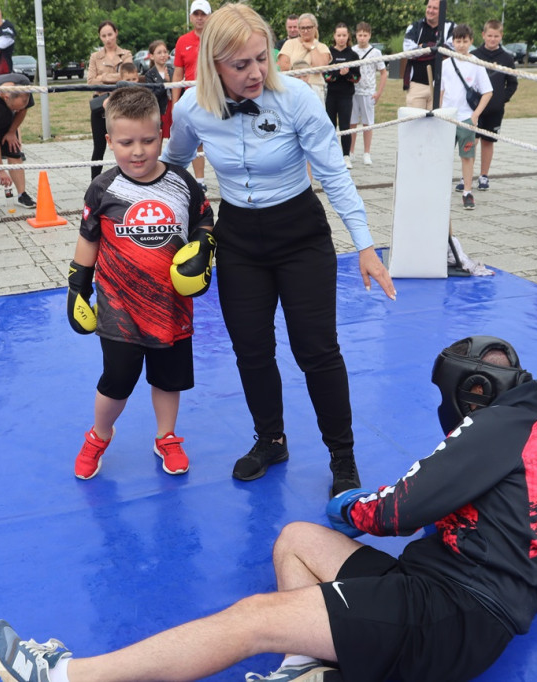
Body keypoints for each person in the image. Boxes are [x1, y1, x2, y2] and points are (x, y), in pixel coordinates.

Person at [0, 335, 537, 682]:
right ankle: (307, 669)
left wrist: (353, 509)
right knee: (295, 537)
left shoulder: (494, 427)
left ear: (470, 390)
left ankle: (69, 677)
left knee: (254, 617)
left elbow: (400, 509)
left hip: (451, 612)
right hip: (446, 588)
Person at [163, 4, 396, 497]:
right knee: (251, 350)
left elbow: (334, 174)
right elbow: (173, 168)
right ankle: (270, 439)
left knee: (317, 350)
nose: (255, 72)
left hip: (300, 235)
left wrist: (366, 247)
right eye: (240, 64)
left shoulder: (297, 100)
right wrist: (149, 222)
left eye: (261, 58)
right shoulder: (189, 109)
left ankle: (343, 458)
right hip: (239, 238)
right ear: (213, 64)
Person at [66, 86, 213, 480]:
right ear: (109, 141)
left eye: (148, 140)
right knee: (116, 382)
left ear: (162, 136)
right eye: (126, 142)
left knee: (168, 379)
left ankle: (166, 436)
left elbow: (204, 218)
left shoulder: (183, 183)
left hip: (171, 306)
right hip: (119, 309)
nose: (138, 151)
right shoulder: (103, 189)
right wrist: (77, 285)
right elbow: (88, 238)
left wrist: (202, 247)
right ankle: (99, 435)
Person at [440, 24, 492, 211]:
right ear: (452, 42)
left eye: (465, 41)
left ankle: (467, 192)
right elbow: (441, 91)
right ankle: (439, 191)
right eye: (457, 41)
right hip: (446, 117)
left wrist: (475, 115)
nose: (461, 45)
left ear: (471, 41)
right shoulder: (445, 64)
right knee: (443, 156)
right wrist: (438, 112)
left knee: (467, 156)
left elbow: (487, 92)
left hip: (466, 118)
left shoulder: (476, 64)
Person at [472, 19, 518, 192]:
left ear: (501, 36)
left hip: (495, 109)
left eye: (496, 36)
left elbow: (512, 83)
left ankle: (484, 176)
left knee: (488, 141)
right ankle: (466, 175)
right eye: (489, 36)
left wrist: (501, 99)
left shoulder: (507, 58)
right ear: (483, 35)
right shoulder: (474, 55)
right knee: (472, 140)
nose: (492, 39)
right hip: (475, 107)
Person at [171, 0, 211, 191]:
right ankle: (199, 181)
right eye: (196, 14)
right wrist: (175, 102)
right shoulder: (183, 41)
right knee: (193, 140)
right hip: (190, 96)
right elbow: (178, 73)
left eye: (203, 14)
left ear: (210, 16)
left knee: (220, 137)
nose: (200, 18)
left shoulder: (217, 38)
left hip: (213, 94)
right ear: (191, 17)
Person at [0, 73, 36, 212]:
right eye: (14, 108)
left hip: (7, 124)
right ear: (6, 97)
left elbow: (23, 109)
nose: (17, 110)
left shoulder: (23, 84)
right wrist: (1, 171)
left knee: (15, 153)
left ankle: (22, 194)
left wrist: (12, 132)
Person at [86, 21, 133, 180]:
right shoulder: (95, 57)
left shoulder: (126, 54)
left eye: (110, 34)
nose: (107, 39)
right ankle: (94, 185)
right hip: (100, 107)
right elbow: (90, 82)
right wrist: (114, 78)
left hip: (121, 105)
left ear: (116, 33)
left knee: (123, 145)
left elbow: (128, 77)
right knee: (98, 148)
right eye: (103, 36)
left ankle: (127, 181)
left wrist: (103, 78)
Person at [403, 0, 455, 109]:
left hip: (442, 87)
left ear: (443, 11)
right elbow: (408, 51)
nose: (430, 11)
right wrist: (436, 49)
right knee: (415, 123)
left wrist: (425, 46)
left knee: (437, 124)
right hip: (417, 86)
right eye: (429, 7)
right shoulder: (415, 27)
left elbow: (452, 51)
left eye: (435, 8)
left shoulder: (452, 28)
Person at [349, 22, 386, 166]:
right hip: (353, 91)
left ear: (369, 35)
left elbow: (383, 73)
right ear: (356, 35)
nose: (362, 38)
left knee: (367, 123)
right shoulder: (352, 51)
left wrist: (379, 93)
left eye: (365, 35)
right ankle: (351, 151)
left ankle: (366, 152)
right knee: (352, 123)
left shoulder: (376, 53)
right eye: (360, 35)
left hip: (368, 92)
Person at [324, 23, 360, 169]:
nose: (341, 38)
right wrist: (339, 73)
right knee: (330, 126)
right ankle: (331, 155)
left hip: (346, 96)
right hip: (331, 95)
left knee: (345, 126)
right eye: (338, 35)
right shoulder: (329, 53)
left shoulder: (353, 55)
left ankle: (346, 155)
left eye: (344, 35)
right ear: (334, 36)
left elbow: (357, 78)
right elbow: (326, 75)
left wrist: (348, 74)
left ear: (348, 37)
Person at [277, 13, 330, 105]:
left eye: (309, 27)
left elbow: (319, 67)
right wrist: (306, 70)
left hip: (315, 89)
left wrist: (312, 47)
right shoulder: (289, 44)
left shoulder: (322, 47)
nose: (305, 31)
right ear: (299, 29)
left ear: (315, 27)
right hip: (292, 88)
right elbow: (283, 66)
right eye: (302, 28)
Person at [142, 40, 174, 139]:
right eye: (159, 52)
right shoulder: (150, 74)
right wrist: (165, 83)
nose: (163, 55)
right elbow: (152, 95)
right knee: (158, 137)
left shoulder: (173, 70)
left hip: (172, 107)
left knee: (174, 136)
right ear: (152, 56)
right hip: (160, 109)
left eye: (165, 52)